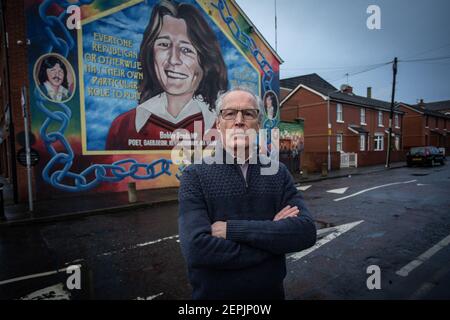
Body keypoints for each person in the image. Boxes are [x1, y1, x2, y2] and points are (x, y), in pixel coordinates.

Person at [178, 87, 317, 300]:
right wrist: (273, 245)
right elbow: (197, 249)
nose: (239, 120)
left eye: (248, 113)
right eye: (230, 113)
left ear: (258, 124)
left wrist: (233, 230)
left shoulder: (279, 173)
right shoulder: (194, 176)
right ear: (218, 123)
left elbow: (306, 232)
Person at [106, 0, 228, 150]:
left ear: (205, 60)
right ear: (151, 53)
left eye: (186, 49)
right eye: (164, 45)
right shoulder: (123, 126)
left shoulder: (224, 128)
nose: (173, 60)